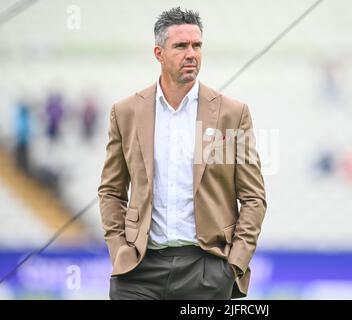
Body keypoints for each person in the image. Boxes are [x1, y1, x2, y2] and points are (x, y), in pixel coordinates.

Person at [98, 7, 267, 300]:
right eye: (181, 46)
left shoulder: (232, 113)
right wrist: (119, 250)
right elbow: (111, 191)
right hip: (139, 270)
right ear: (158, 53)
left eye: (197, 45)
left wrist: (233, 264)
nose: (191, 54)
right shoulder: (124, 112)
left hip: (207, 269)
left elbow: (254, 197)